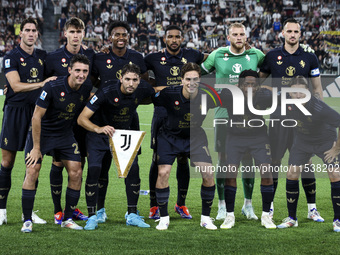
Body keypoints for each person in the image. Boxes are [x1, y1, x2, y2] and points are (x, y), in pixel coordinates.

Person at [77, 63, 157, 230]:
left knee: (133, 170)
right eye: (127, 79)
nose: (131, 83)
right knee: (95, 169)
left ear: (139, 81)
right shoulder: (106, 91)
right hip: (99, 133)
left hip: (123, 134)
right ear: (121, 78)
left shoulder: (143, 88)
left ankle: (132, 214)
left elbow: (157, 92)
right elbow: (82, 118)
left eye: (135, 80)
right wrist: (98, 129)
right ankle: (94, 214)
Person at [260, 18, 324, 221]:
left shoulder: (310, 58)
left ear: (300, 34)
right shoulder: (271, 57)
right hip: (278, 118)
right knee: (274, 162)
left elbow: (317, 89)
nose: (293, 34)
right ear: (283, 34)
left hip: (302, 121)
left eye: (296, 31)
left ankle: (312, 209)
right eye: (289, 31)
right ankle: (269, 209)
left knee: (306, 163)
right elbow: (257, 85)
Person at [201, 22, 265, 221]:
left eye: (242, 34)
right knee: (223, 160)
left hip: (249, 115)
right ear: (228, 37)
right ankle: (222, 206)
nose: (239, 37)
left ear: (246, 37)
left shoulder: (256, 55)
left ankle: (248, 205)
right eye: (235, 34)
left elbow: (274, 66)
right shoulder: (218, 55)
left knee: (248, 160)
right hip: (222, 115)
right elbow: (198, 72)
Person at [21, 54, 92, 233]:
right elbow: (36, 117)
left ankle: (67, 217)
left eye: (84, 71)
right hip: (42, 134)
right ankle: (27, 220)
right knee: (32, 170)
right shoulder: (52, 87)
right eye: (77, 70)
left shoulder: (86, 89)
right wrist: (36, 148)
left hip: (65, 135)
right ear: (69, 70)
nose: (81, 75)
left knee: (76, 171)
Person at [144, 25, 207, 220]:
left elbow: (211, 59)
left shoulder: (193, 55)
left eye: (177, 37)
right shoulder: (153, 58)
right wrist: (158, 87)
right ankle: (154, 205)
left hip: (184, 113)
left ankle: (181, 203)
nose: (174, 40)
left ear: (182, 38)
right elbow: (144, 78)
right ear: (164, 39)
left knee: (183, 158)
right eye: (170, 37)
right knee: (158, 159)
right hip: (162, 114)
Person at [88, 21, 147, 226]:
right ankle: (100, 211)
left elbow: (146, 82)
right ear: (109, 37)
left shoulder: (137, 57)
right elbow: (91, 80)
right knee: (101, 168)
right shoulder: (100, 57)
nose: (120, 37)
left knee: (133, 167)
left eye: (124, 34)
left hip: (128, 121)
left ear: (128, 36)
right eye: (116, 34)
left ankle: (132, 213)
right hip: (103, 120)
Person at [0, 17, 57, 226]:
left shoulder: (43, 56)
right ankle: (1, 210)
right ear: (20, 34)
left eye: (34, 30)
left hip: (36, 115)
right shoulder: (11, 56)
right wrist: (42, 83)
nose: (31, 33)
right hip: (14, 113)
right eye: (27, 30)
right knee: (7, 163)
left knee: (33, 164)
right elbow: (15, 85)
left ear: (37, 34)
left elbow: (61, 68)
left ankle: (29, 211)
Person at [153, 62, 217, 230]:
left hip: (195, 137)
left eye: (195, 79)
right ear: (181, 80)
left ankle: (205, 218)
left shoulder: (207, 95)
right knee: (163, 172)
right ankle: (164, 218)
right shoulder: (168, 93)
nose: (191, 83)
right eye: (188, 79)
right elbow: (148, 96)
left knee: (208, 173)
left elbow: (231, 98)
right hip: (169, 137)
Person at [45, 17, 95, 225]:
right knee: (58, 162)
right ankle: (58, 211)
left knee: (79, 165)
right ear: (65, 33)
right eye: (72, 32)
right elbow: (44, 84)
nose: (76, 35)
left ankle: (71, 209)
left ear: (84, 33)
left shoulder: (92, 56)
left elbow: (97, 81)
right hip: (60, 122)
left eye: (79, 31)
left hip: (82, 118)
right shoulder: (53, 57)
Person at [276, 76, 340, 232]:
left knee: (335, 174)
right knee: (291, 173)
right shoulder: (285, 100)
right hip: (303, 141)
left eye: (301, 92)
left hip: (325, 140)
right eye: (294, 92)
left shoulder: (318, 107)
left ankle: (338, 220)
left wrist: (336, 148)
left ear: (308, 91)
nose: (298, 95)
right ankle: (292, 218)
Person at [217, 69, 275, 229]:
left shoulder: (264, 95)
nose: (250, 87)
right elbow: (210, 98)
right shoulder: (229, 94)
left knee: (266, 172)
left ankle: (266, 215)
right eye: (246, 84)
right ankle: (229, 216)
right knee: (230, 174)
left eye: (254, 84)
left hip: (259, 137)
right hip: (235, 137)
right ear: (240, 84)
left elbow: (283, 97)